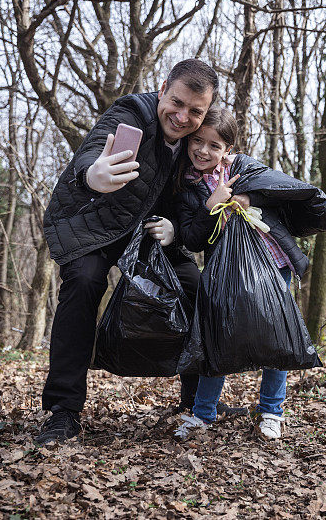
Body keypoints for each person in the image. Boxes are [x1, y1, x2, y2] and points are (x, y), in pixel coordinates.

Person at [37, 60, 241, 447]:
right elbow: (96, 149)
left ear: (206, 110)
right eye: (176, 103)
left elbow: (215, 174)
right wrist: (92, 174)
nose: (182, 118)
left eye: (195, 111)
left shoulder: (196, 139)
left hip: (152, 233)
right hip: (96, 223)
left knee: (198, 290)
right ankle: (63, 411)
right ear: (163, 88)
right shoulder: (132, 111)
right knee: (83, 283)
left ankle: (197, 400)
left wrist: (181, 226)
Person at [172, 107, 312, 440]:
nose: (204, 151)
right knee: (214, 339)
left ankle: (272, 413)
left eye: (214, 145)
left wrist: (248, 197)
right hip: (225, 274)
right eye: (198, 141)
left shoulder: (244, 168)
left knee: (276, 341)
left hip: (274, 263)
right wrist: (211, 206)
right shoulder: (186, 186)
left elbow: (281, 191)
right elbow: (191, 238)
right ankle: (202, 414)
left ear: (228, 149)